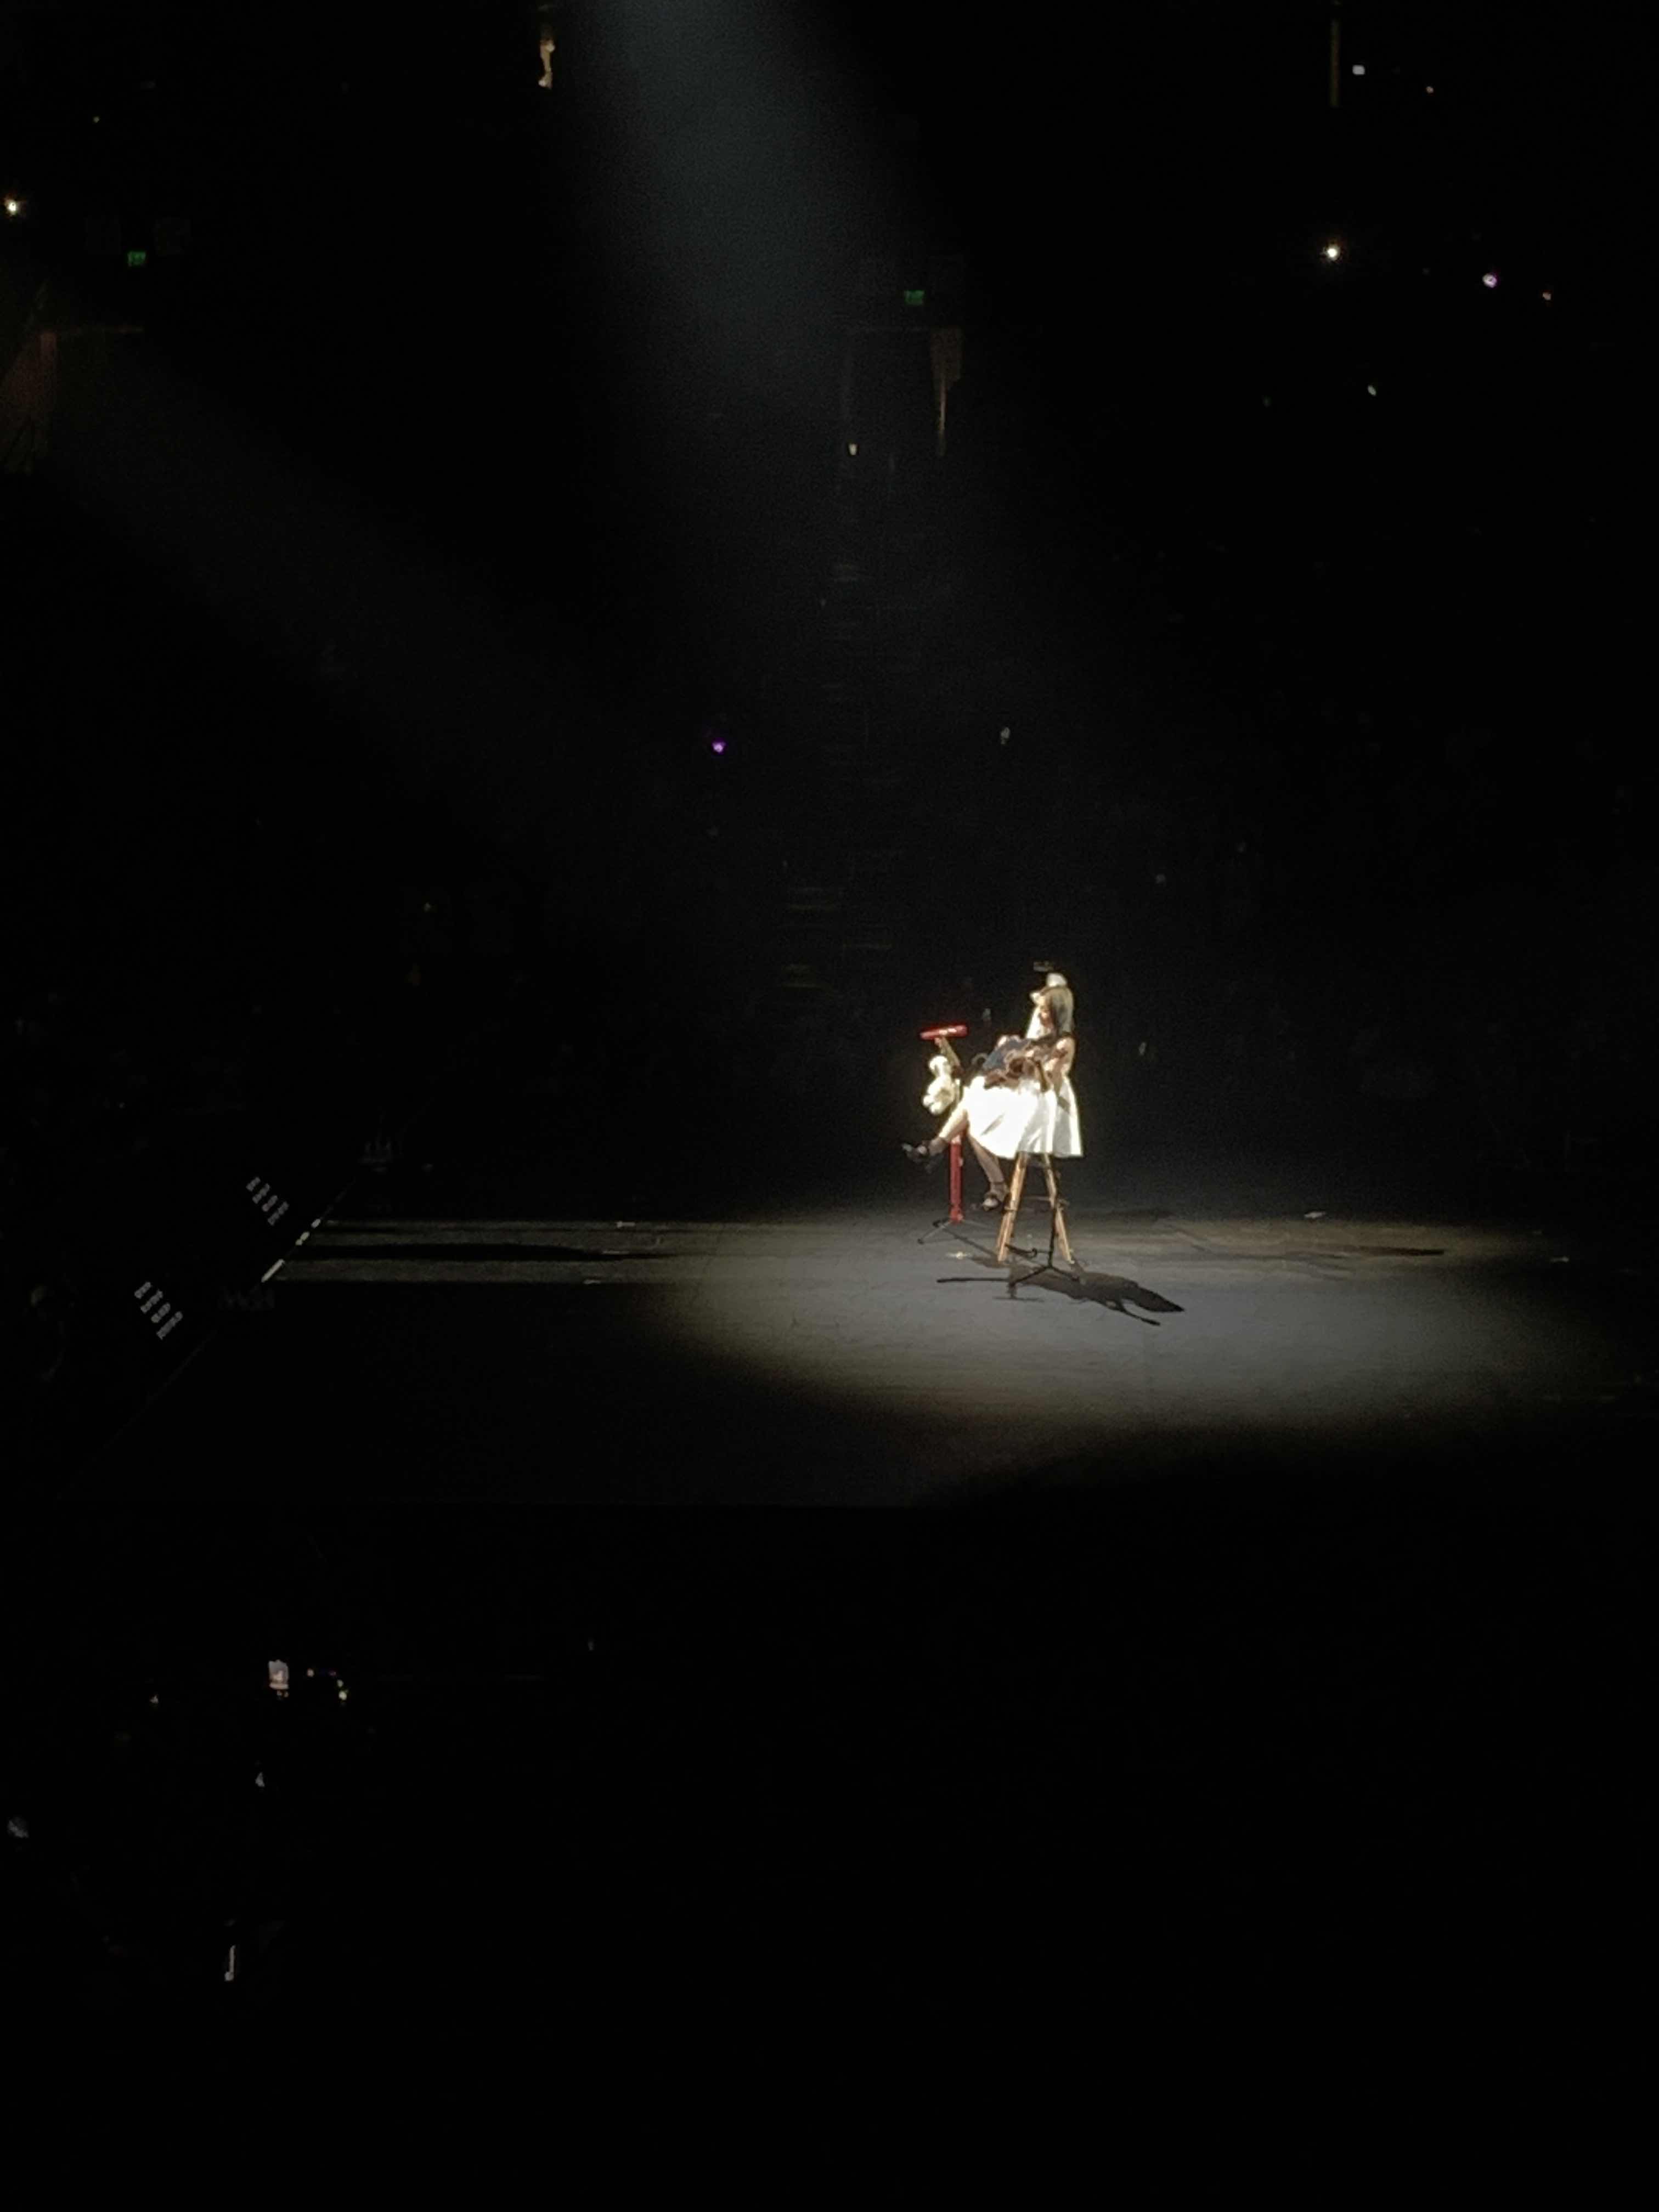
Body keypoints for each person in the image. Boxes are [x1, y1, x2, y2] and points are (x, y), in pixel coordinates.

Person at [904, 974, 1081, 1209]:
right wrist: (1009, 1055)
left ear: (1058, 1013)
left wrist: (1031, 1063)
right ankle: (948, 1154)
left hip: (1044, 1106)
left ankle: (940, 1150)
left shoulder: (1064, 1043)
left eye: (1045, 1011)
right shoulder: (1040, 1038)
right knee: (975, 1099)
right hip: (1026, 1096)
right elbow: (1019, 1072)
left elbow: (1048, 1084)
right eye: (1039, 1010)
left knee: (975, 1107)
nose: (1039, 1015)